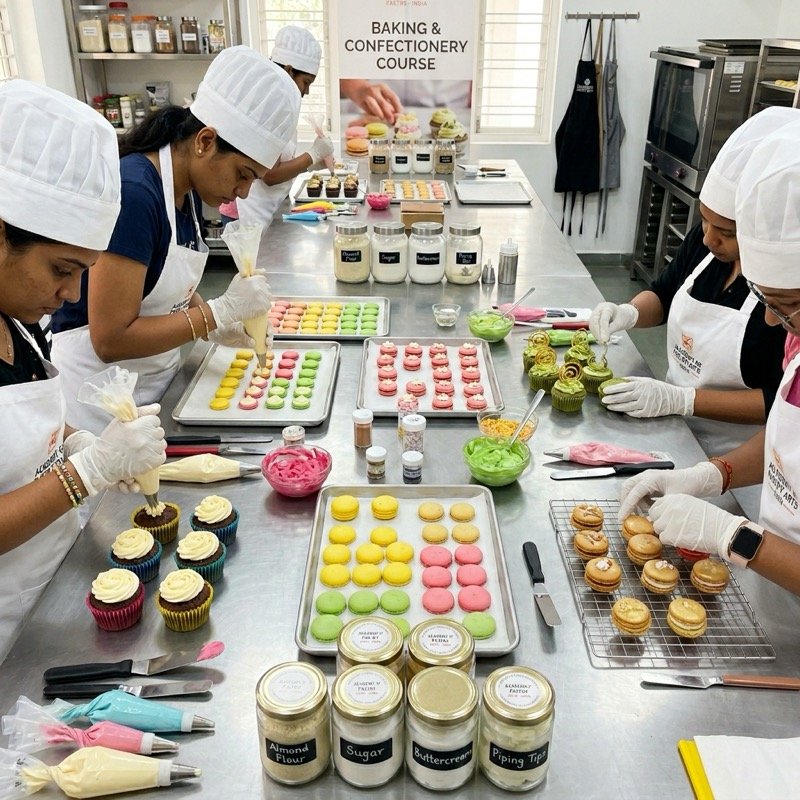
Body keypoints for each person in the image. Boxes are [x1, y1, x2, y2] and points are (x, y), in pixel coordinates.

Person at [0, 80, 167, 662]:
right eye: (62, 269)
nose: (71, 293)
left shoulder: (14, 317)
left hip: (54, 592)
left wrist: (80, 443)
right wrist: (86, 473)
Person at [51, 46, 301, 432]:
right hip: (98, 411)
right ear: (205, 141)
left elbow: (172, 292)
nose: (245, 192)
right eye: (243, 174)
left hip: (151, 390)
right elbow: (110, 338)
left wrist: (221, 325)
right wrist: (215, 314)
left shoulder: (183, 192)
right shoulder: (136, 194)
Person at [618, 118, 800, 597]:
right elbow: (786, 433)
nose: (772, 322)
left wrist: (734, 537)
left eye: (787, 307)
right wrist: (712, 474)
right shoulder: (793, 331)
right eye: (766, 300)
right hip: (774, 564)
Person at [590, 108, 797, 459]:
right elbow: (664, 293)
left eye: (727, 233)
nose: (709, 239)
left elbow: (778, 399)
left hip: (739, 452)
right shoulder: (707, 244)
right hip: (672, 427)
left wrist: (683, 400)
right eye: (704, 221)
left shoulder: (780, 293)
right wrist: (627, 312)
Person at [234, 25, 334, 227]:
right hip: (253, 213)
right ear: (288, 71)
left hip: (272, 208)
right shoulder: (265, 104)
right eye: (305, 82)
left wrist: (310, 165)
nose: (306, 91)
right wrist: (312, 155)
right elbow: (269, 175)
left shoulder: (283, 103)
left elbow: (279, 161)